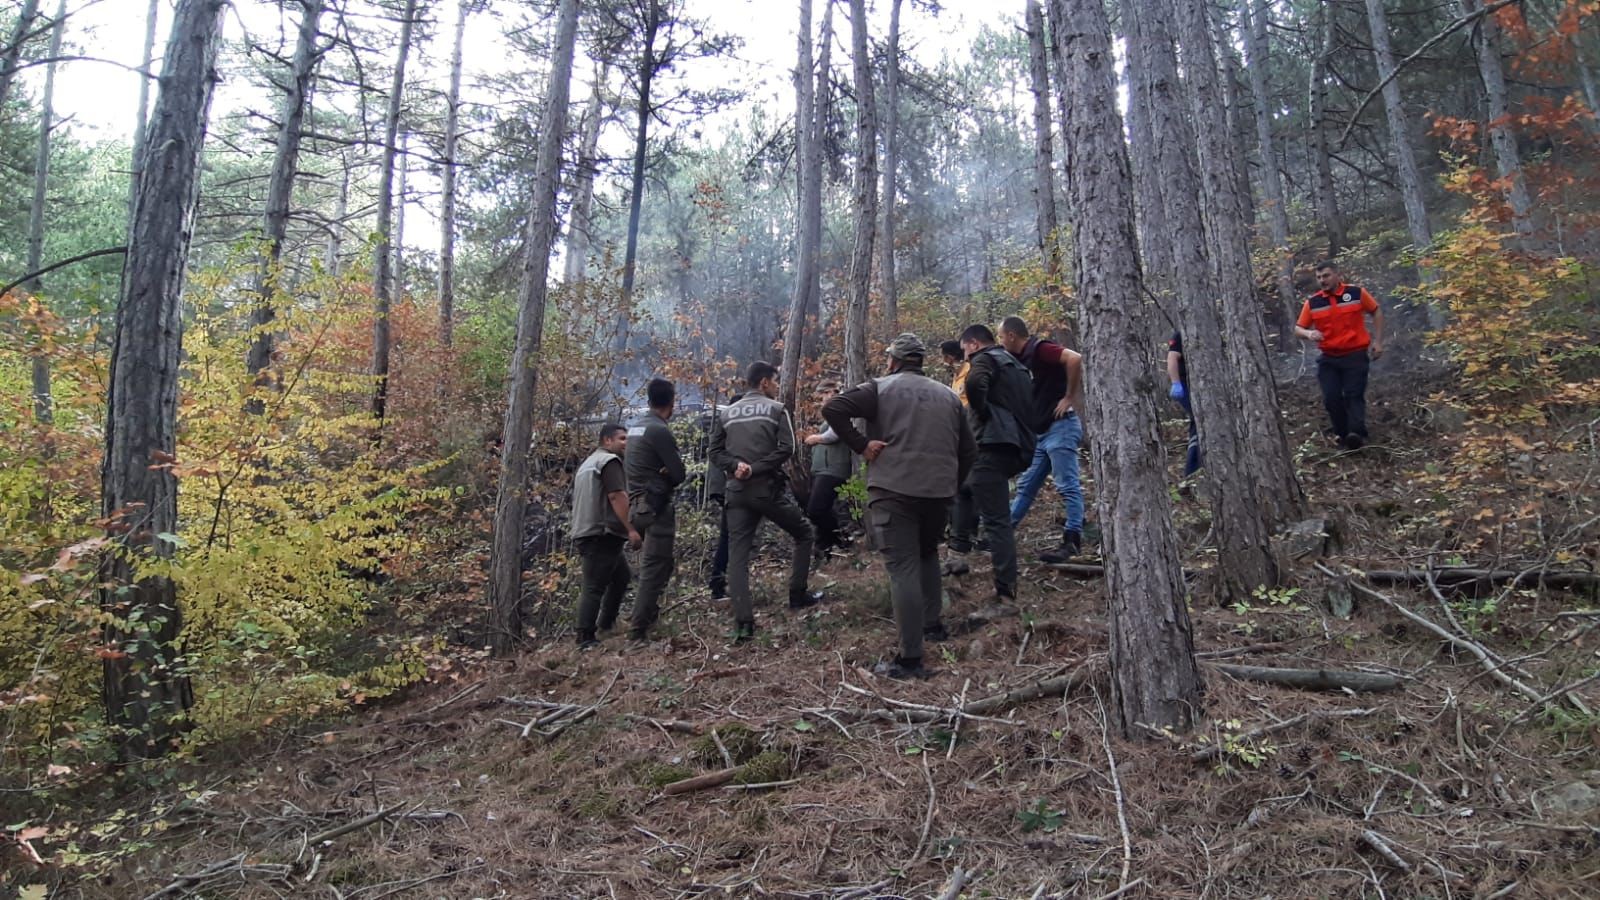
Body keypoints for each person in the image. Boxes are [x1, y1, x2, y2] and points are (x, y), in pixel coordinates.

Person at [824, 333, 976, 679]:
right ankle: (933, 626)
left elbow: (833, 408)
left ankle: (910, 659)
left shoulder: (879, 387)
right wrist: (950, 482)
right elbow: (969, 451)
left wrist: (862, 445)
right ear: (920, 362)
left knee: (902, 567)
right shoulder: (949, 396)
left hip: (894, 490)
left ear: (893, 361)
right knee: (927, 554)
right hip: (938, 494)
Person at [709, 361, 820, 641]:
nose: (776, 386)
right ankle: (797, 595)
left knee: (737, 557)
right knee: (805, 533)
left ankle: (743, 624)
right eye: (774, 380)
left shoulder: (727, 413)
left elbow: (714, 451)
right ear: (764, 383)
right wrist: (755, 468)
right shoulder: (776, 409)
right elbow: (788, 448)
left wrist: (736, 466)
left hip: (735, 491)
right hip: (765, 490)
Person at [950, 324, 1035, 600]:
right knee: (963, 489)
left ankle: (1005, 593)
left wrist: (982, 411)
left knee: (996, 521)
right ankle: (958, 555)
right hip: (1016, 445)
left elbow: (974, 384)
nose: (965, 355)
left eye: (964, 349)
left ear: (973, 344)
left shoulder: (985, 359)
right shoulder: (1017, 365)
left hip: (992, 444)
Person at [999, 316, 1085, 563]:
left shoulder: (1041, 349)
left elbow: (1074, 358)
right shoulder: (1020, 358)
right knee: (1026, 485)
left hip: (1062, 428)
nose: (1002, 341)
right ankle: (1002, 533)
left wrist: (1069, 396)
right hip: (1042, 432)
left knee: (1067, 484)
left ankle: (1072, 541)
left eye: (1002, 336)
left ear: (1012, 336)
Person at [1295, 260, 1385, 450]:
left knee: (1354, 394)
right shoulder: (1313, 302)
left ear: (1337, 275)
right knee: (1331, 397)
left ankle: (1356, 433)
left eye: (1326, 276)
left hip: (1355, 354)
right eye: (1319, 277)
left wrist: (1377, 341)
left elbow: (1376, 311)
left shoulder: (1355, 293)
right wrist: (1309, 333)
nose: (1322, 280)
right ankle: (1343, 433)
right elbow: (1298, 328)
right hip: (1329, 358)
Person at [570, 424, 643, 648]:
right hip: (601, 531)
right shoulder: (609, 462)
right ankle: (585, 637)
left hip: (587, 529)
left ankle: (607, 624)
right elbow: (616, 496)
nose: (626, 443)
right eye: (621, 438)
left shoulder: (588, 464)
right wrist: (631, 528)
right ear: (607, 441)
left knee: (621, 576)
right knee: (594, 586)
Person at [625, 378, 687, 641]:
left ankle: (649, 616)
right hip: (656, 507)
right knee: (654, 567)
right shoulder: (658, 430)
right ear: (671, 400)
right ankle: (638, 631)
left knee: (659, 565)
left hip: (638, 506)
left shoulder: (635, 428)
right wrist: (666, 473)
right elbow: (679, 473)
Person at [802, 383, 852, 558]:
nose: (822, 398)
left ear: (831, 392)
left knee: (816, 509)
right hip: (823, 468)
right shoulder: (833, 411)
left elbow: (834, 435)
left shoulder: (840, 409)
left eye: (823, 394)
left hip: (834, 468)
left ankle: (840, 539)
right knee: (823, 508)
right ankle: (827, 547)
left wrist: (815, 438)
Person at [1166, 332, 1201, 477]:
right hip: (1185, 385)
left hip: (1200, 387)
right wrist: (1176, 383)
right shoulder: (1181, 334)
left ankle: (1194, 470)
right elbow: (1172, 357)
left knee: (1198, 424)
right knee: (1199, 421)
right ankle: (1192, 470)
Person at [941, 339, 969, 404]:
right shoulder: (956, 375)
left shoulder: (970, 373)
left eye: (944, 357)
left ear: (950, 357)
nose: (942, 361)